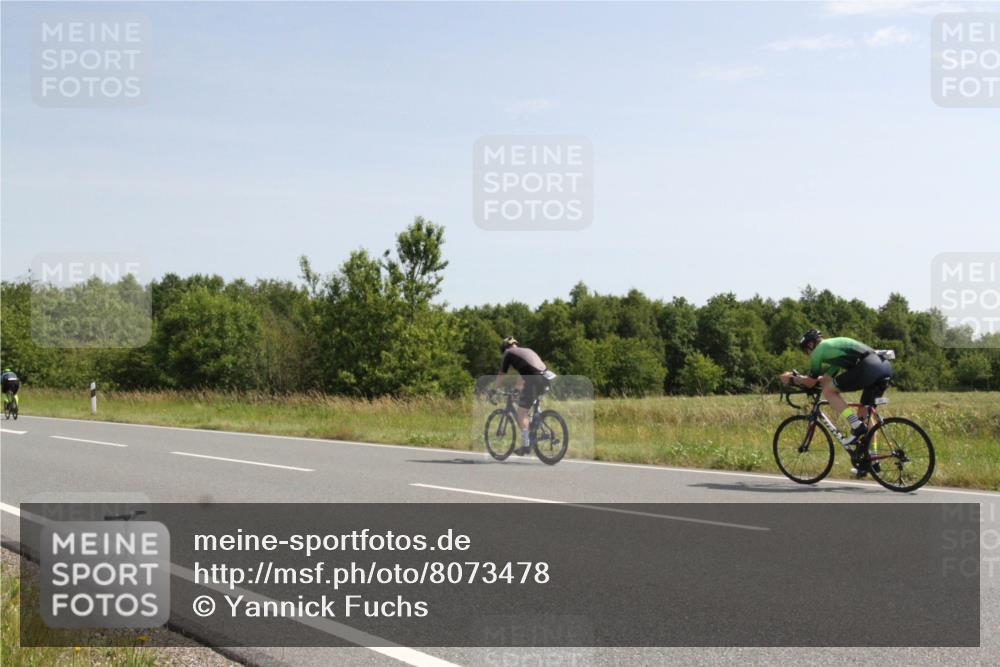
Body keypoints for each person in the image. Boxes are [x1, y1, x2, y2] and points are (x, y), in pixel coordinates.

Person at [780, 330, 892, 449]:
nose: (807, 353)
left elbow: (810, 382)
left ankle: (855, 424)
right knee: (865, 412)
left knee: (828, 391)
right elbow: (825, 379)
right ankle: (872, 459)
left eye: (805, 350)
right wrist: (803, 379)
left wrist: (791, 379)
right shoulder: (834, 351)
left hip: (868, 366)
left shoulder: (818, 350)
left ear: (810, 344)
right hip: (884, 366)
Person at [494, 337, 550, 455]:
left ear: (504, 348)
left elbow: (501, 373)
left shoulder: (508, 353)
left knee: (521, 413)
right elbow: (523, 374)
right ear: (515, 344)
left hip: (534, 380)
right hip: (546, 378)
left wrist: (495, 390)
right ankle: (537, 420)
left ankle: (526, 445)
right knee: (529, 401)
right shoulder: (525, 351)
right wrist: (516, 390)